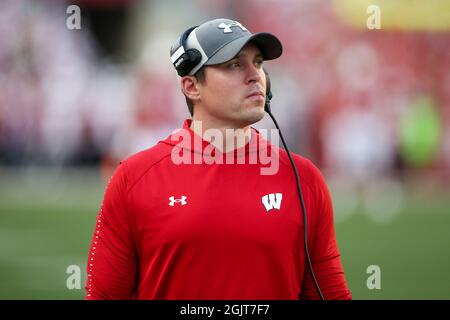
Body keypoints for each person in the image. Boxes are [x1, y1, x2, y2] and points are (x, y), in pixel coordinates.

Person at [85, 18, 352, 300]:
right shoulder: (134, 179)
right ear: (191, 87)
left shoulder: (304, 180)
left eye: (258, 62)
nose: (255, 76)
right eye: (234, 65)